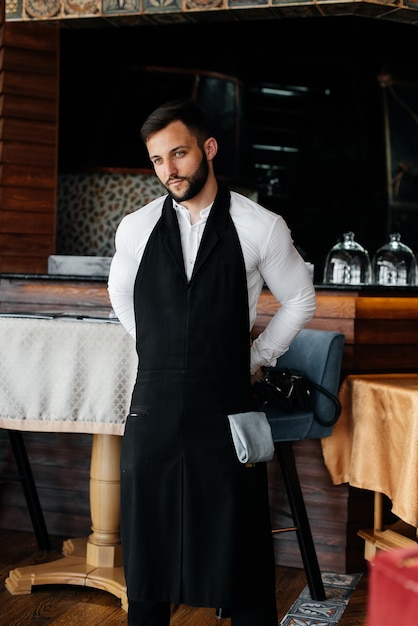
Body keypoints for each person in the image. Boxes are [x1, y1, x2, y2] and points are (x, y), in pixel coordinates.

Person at [107, 99, 316, 626]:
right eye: (157, 160)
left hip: (227, 407)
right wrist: (156, 347)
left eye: (178, 153)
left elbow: (300, 298)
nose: (169, 171)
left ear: (208, 148)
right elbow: (119, 294)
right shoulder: (134, 228)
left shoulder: (260, 225)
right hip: (152, 407)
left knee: (237, 543)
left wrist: (259, 356)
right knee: (147, 543)